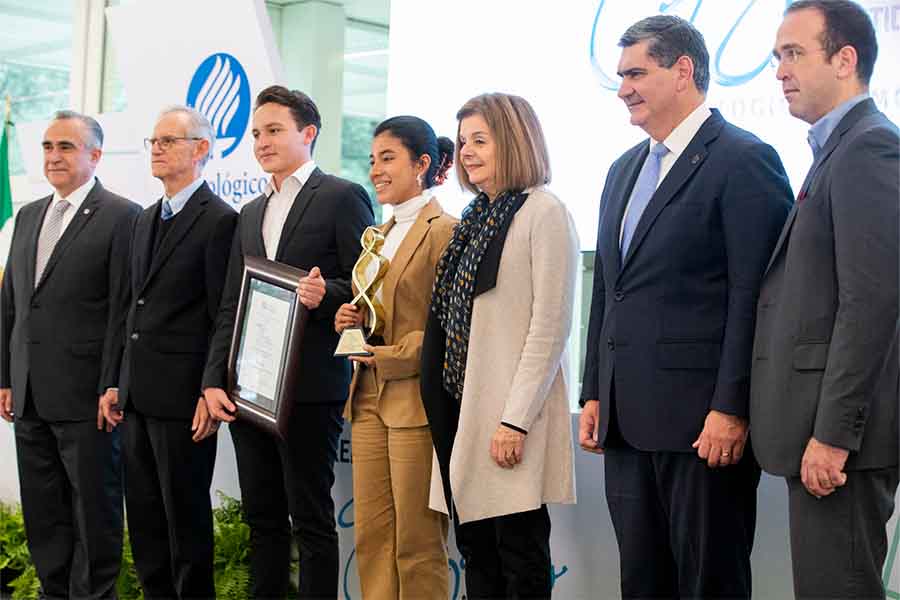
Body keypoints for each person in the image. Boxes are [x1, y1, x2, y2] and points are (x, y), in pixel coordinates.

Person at [577, 15, 793, 599]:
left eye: (636, 72)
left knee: (708, 584)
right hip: (626, 422)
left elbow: (757, 298)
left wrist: (732, 406)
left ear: (683, 71)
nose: (623, 86)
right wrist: (596, 388)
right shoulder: (624, 168)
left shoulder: (745, 159)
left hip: (702, 426)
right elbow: (608, 291)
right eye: (621, 74)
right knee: (640, 583)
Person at [202, 85, 374, 599]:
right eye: (256, 133)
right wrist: (215, 377)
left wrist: (327, 294)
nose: (261, 142)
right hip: (250, 387)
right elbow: (232, 302)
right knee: (263, 518)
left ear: (308, 133)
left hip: (309, 384)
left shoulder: (342, 196)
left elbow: (366, 287)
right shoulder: (251, 211)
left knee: (311, 519)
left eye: (273, 130)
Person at [751, 2, 899, 598]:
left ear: (845, 60)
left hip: (841, 446)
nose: (780, 71)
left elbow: (872, 303)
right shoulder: (836, 149)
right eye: (777, 57)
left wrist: (834, 435)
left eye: (794, 54)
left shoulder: (869, 148)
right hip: (819, 434)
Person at [421, 92, 577, 599]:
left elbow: (549, 328)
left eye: (481, 140)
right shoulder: (473, 218)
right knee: (477, 555)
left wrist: (515, 419)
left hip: (509, 419)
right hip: (462, 410)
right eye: (464, 140)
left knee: (520, 558)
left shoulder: (543, 212)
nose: (466, 151)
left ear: (513, 141)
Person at [98, 105, 237, 599]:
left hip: (184, 401)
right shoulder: (144, 218)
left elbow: (225, 312)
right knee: (147, 529)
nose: (156, 149)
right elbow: (128, 307)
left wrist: (210, 385)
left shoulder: (220, 220)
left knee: (185, 527)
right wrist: (115, 381)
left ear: (201, 150)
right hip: (136, 397)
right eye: (153, 141)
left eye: (169, 141)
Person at [0, 110, 140, 599]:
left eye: (66, 147)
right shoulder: (29, 214)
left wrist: (112, 384)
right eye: (47, 147)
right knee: (44, 513)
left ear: (95, 155)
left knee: (94, 513)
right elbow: (13, 303)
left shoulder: (123, 216)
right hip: (30, 392)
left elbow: (125, 310)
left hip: (88, 399)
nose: (54, 156)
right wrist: (5, 377)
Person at [334, 115, 456, 599]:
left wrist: (383, 355)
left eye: (388, 158)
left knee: (417, 542)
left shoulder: (445, 230)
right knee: (372, 539)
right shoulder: (377, 234)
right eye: (372, 160)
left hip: (416, 407)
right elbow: (377, 312)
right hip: (366, 403)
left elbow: (445, 333)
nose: (377, 170)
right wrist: (350, 317)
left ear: (422, 164)